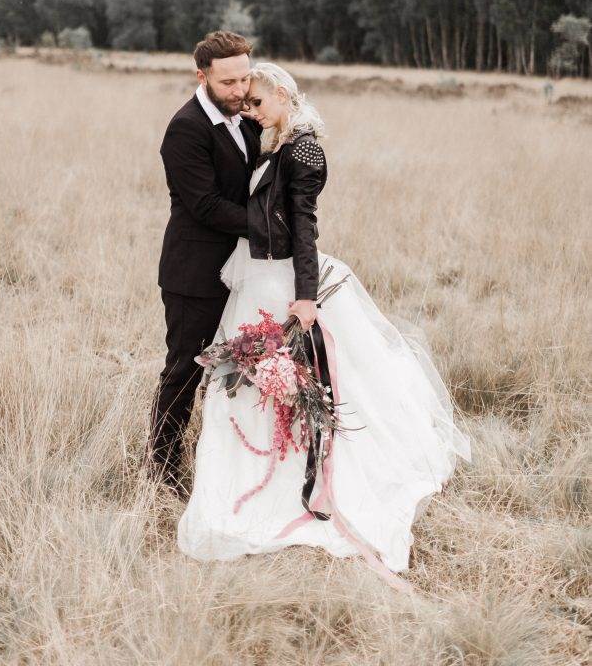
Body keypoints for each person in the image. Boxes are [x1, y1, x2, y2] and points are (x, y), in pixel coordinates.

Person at [176, 62, 472, 590]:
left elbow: (305, 226)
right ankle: (243, 480)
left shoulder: (303, 149)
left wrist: (306, 297)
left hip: (285, 282)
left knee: (305, 383)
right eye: (245, 104)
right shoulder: (274, 141)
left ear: (284, 96)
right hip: (256, 278)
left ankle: (304, 485)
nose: (250, 110)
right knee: (246, 391)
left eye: (258, 102)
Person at [145, 31, 262, 496]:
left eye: (245, 77)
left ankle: (233, 465)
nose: (240, 89)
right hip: (195, 273)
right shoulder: (186, 128)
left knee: (243, 369)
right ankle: (163, 471)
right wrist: (272, 225)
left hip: (245, 271)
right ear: (203, 76)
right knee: (183, 372)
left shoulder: (246, 118)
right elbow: (207, 206)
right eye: (229, 81)